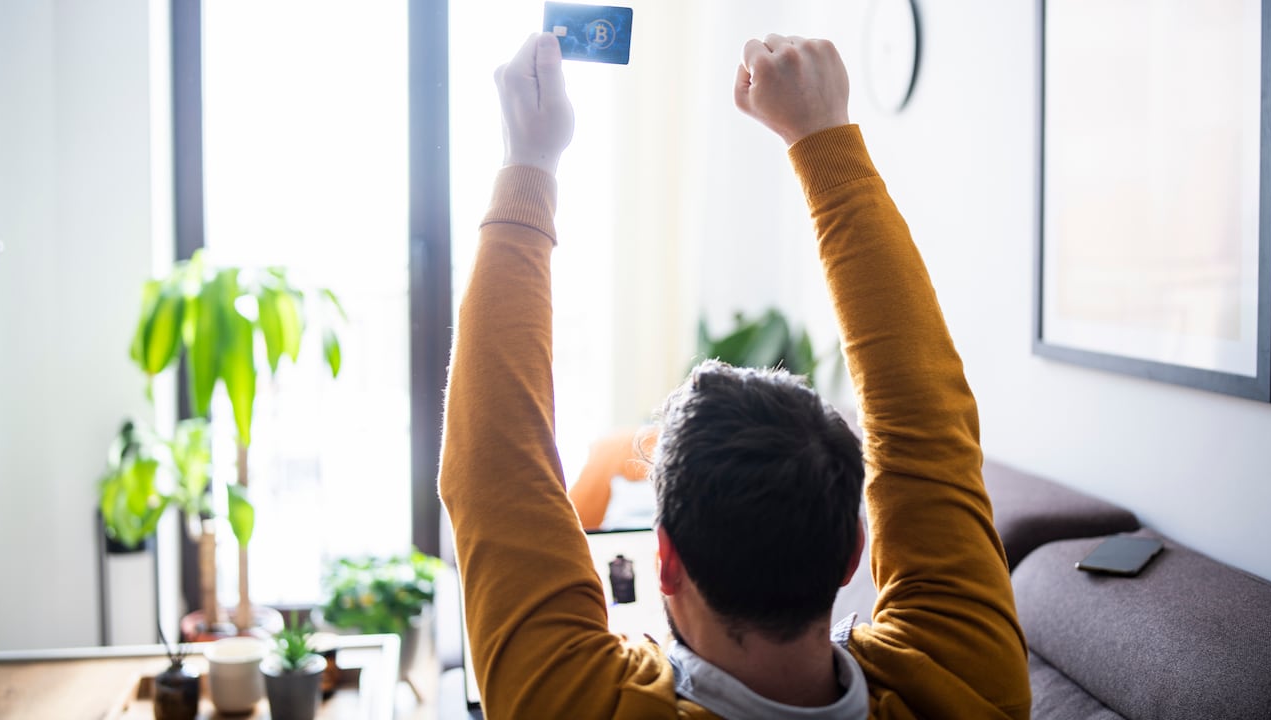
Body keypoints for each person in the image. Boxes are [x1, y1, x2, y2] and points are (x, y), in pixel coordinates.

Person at [439, 31, 1032, 719]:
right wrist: (823, 139)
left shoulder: (587, 704)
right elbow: (928, 419)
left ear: (664, 562)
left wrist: (529, 158)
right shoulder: (966, 681)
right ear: (853, 559)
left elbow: (494, 470)